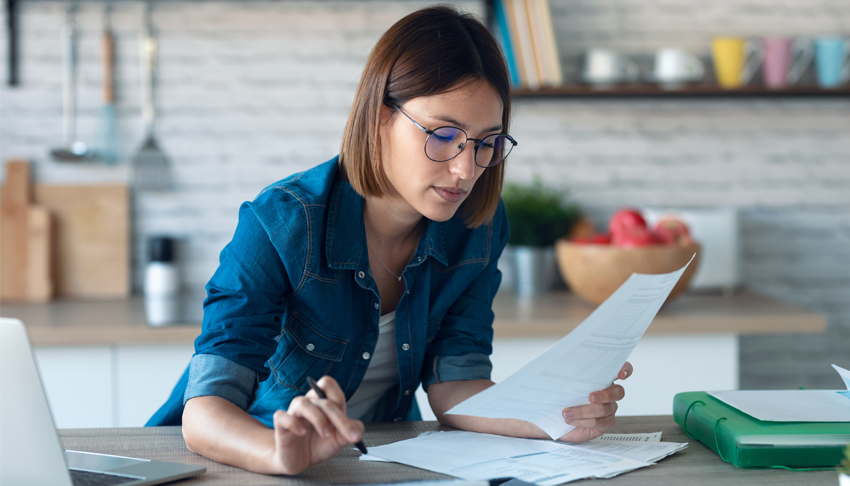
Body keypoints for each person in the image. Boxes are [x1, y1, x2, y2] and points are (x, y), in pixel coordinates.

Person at [147, 5, 632, 476]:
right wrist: (277, 453)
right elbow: (207, 410)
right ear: (380, 116)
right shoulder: (281, 223)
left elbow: (453, 384)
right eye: (444, 134)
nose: (467, 170)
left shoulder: (477, 227)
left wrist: (555, 419)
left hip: (371, 462)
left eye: (488, 142)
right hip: (241, 461)